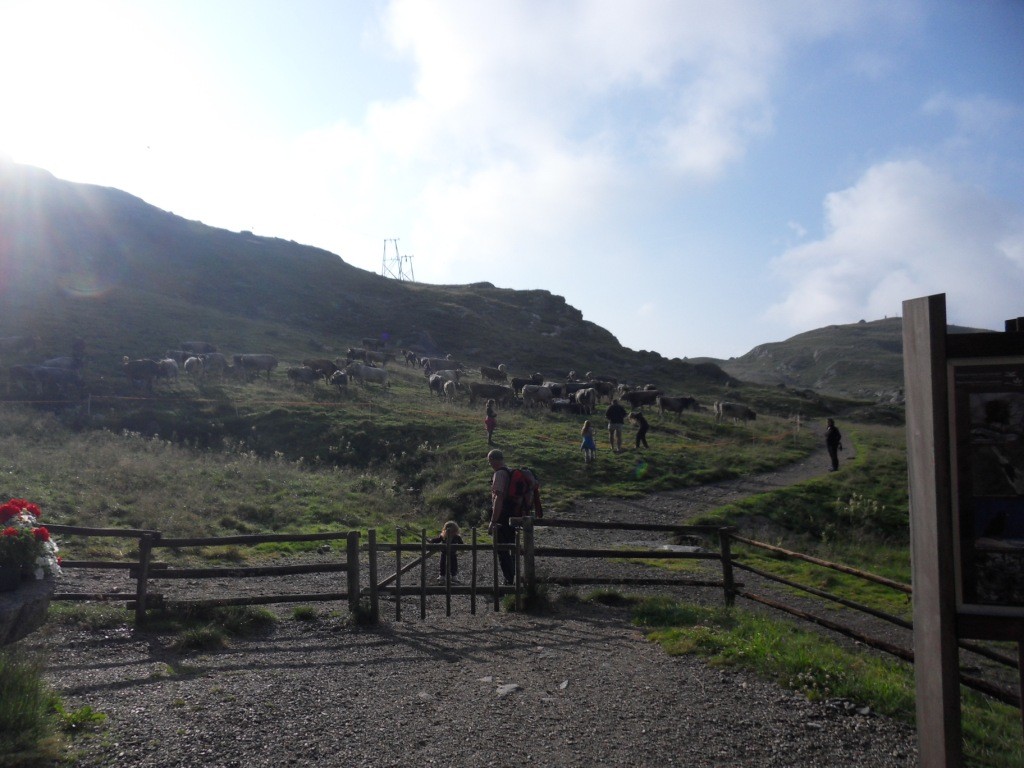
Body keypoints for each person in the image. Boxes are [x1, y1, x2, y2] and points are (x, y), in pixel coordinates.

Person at [486, 448, 524, 585]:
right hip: (513, 514)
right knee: (511, 547)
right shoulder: (510, 472)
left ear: (493, 460)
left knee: (501, 549)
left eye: (489, 461)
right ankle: (514, 577)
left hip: (502, 516)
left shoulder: (499, 474)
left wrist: (493, 520)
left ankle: (509, 580)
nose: (489, 464)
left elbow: (498, 498)